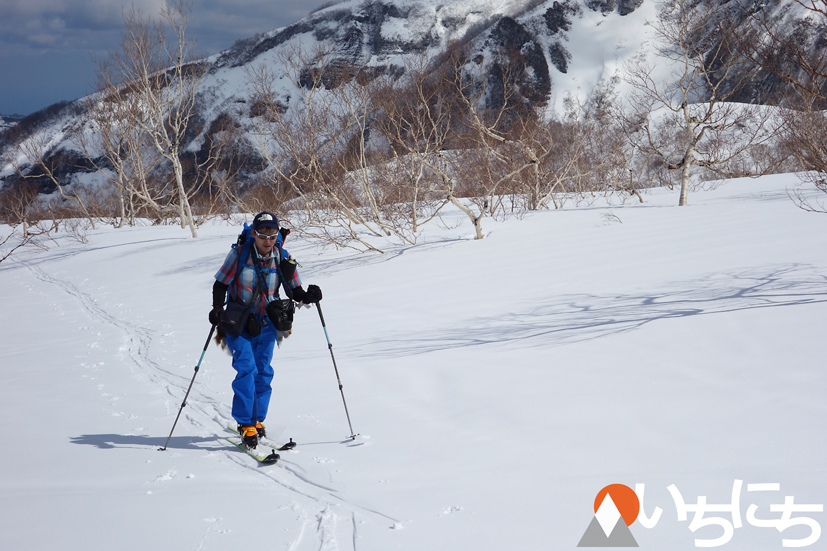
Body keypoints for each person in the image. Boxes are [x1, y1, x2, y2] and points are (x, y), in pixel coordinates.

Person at [209, 212, 322, 448]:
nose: (267, 240)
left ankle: (257, 420)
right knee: (246, 369)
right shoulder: (239, 254)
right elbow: (221, 283)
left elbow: (294, 291)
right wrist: (218, 308)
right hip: (238, 323)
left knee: (263, 372)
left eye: (271, 235)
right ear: (254, 233)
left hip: (268, 324)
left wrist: (309, 296)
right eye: (262, 235)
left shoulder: (282, 256)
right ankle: (245, 423)